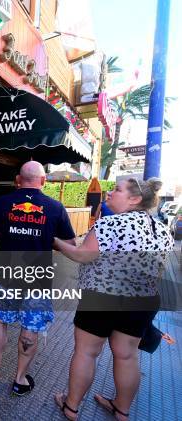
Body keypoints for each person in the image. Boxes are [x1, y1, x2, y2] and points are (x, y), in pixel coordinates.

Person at [53, 178, 174, 420]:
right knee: (127, 356)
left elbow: (82, 255)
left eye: (117, 190)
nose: (110, 193)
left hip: (101, 298)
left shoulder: (109, 225)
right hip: (142, 302)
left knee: (86, 352)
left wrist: (53, 241)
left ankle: (72, 406)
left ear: (135, 199)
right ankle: (121, 410)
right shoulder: (161, 229)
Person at [0, 161, 76, 395]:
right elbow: (71, 244)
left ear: (18, 179)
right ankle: (19, 379)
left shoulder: (2, 203)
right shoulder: (55, 207)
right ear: (43, 181)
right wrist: (47, 238)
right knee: (30, 327)